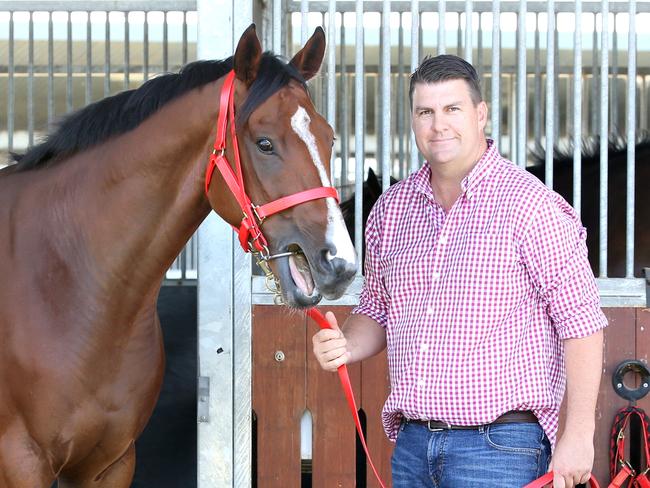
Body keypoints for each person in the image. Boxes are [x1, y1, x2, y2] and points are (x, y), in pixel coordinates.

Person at [312, 54, 607, 488]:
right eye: (425, 112)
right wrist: (345, 346)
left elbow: (581, 322)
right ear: (413, 119)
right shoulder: (392, 210)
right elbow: (378, 309)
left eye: (452, 109)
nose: (438, 125)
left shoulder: (531, 207)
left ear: (481, 114)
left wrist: (579, 434)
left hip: (501, 447)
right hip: (413, 444)